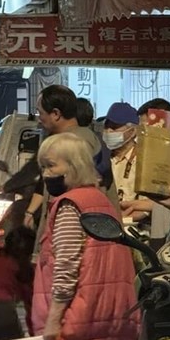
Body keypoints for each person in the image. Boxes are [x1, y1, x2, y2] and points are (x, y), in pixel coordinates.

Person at [33, 132, 139, 340]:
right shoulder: (102, 202)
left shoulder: (71, 206)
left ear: (74, 166)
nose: (45, 174)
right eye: (43, 167)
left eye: (50, 166)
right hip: (113, 321)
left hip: (78, 325)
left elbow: (66, 266)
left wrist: (53, 319)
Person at [24, 85, 115, 232]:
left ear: (56, 114)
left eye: (40, 112)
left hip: (76, 231)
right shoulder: (70, 139)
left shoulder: (78, 142)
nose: (39, 119)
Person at [122, 98, 170, 245]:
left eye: (146, 128)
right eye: (141, 129)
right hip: (163, 237)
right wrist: (135, 204)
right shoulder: (155, 159)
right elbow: (169, 202)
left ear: (164, 123)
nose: (141, 135)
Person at [102, 102, 140, 202]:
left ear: (132, 132)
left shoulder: (142, 160)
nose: (108, 131)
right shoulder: (101, 158)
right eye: (106, 126)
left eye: (114, 127)